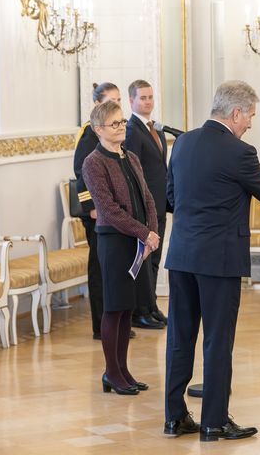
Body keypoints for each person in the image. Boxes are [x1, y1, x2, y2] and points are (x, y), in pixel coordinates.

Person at [163, 80, 260, 442]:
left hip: (182, 255)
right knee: (217, 340)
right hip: (219, 259)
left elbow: (170, 198)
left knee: (180, 337)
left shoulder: (183, 143)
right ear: (236, 113)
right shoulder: (240, 152)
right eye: (250, 115)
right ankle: (214, 422)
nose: (251, 123)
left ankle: (174, 418)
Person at [82, 100, 160, 396]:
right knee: (114, 307)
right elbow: (109, 210)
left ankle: (124, 370)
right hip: (114, 241)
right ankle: (112, 373)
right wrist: (144, 232)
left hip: (137, 239)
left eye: (122, 122)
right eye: (114, 124)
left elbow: (147, 197)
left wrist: (151, 230)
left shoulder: (130, 157)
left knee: (128, 306)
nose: (121, 127)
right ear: (98, 129)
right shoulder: (93, 162)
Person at [73, 82, 134, 341]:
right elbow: (81, 175)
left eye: (119, 99)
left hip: (111, 213)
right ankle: (100, 324)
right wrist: (92, 208)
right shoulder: (90, 134)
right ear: (98, 104)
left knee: (114, 270)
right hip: (97, 214)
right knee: (100, 270)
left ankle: (116, 321)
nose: (117, 104)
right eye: (112, 99)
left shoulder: (115, 134)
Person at [125, 79, 168, 329]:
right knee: (143, 260)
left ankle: (152, 307)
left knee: (154, 259)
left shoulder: (157, 128)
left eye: (150, 97)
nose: (148, 102)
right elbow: (134, 171)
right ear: (132, 101)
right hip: (144, 207)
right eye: (142, 98)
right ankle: (140, 310)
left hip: (160, 204)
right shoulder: (132, 130)